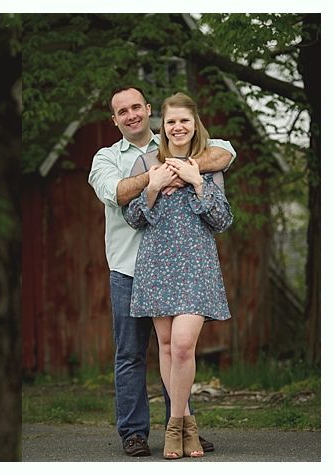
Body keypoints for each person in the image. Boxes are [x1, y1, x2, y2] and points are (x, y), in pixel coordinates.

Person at [87, 86, 234, 457]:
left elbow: (226, 150)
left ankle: (182, 425)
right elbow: (119, 196)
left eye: (137, 107)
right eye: (123, 111)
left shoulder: (178, 142)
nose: (132, 114)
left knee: (178, 348)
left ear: (149, 110)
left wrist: (192, 170)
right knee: (132, 354)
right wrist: (156, 179)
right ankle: (135, 433)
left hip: (182, 266)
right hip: (129, 266)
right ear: (115, 119)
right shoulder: (108, 158)